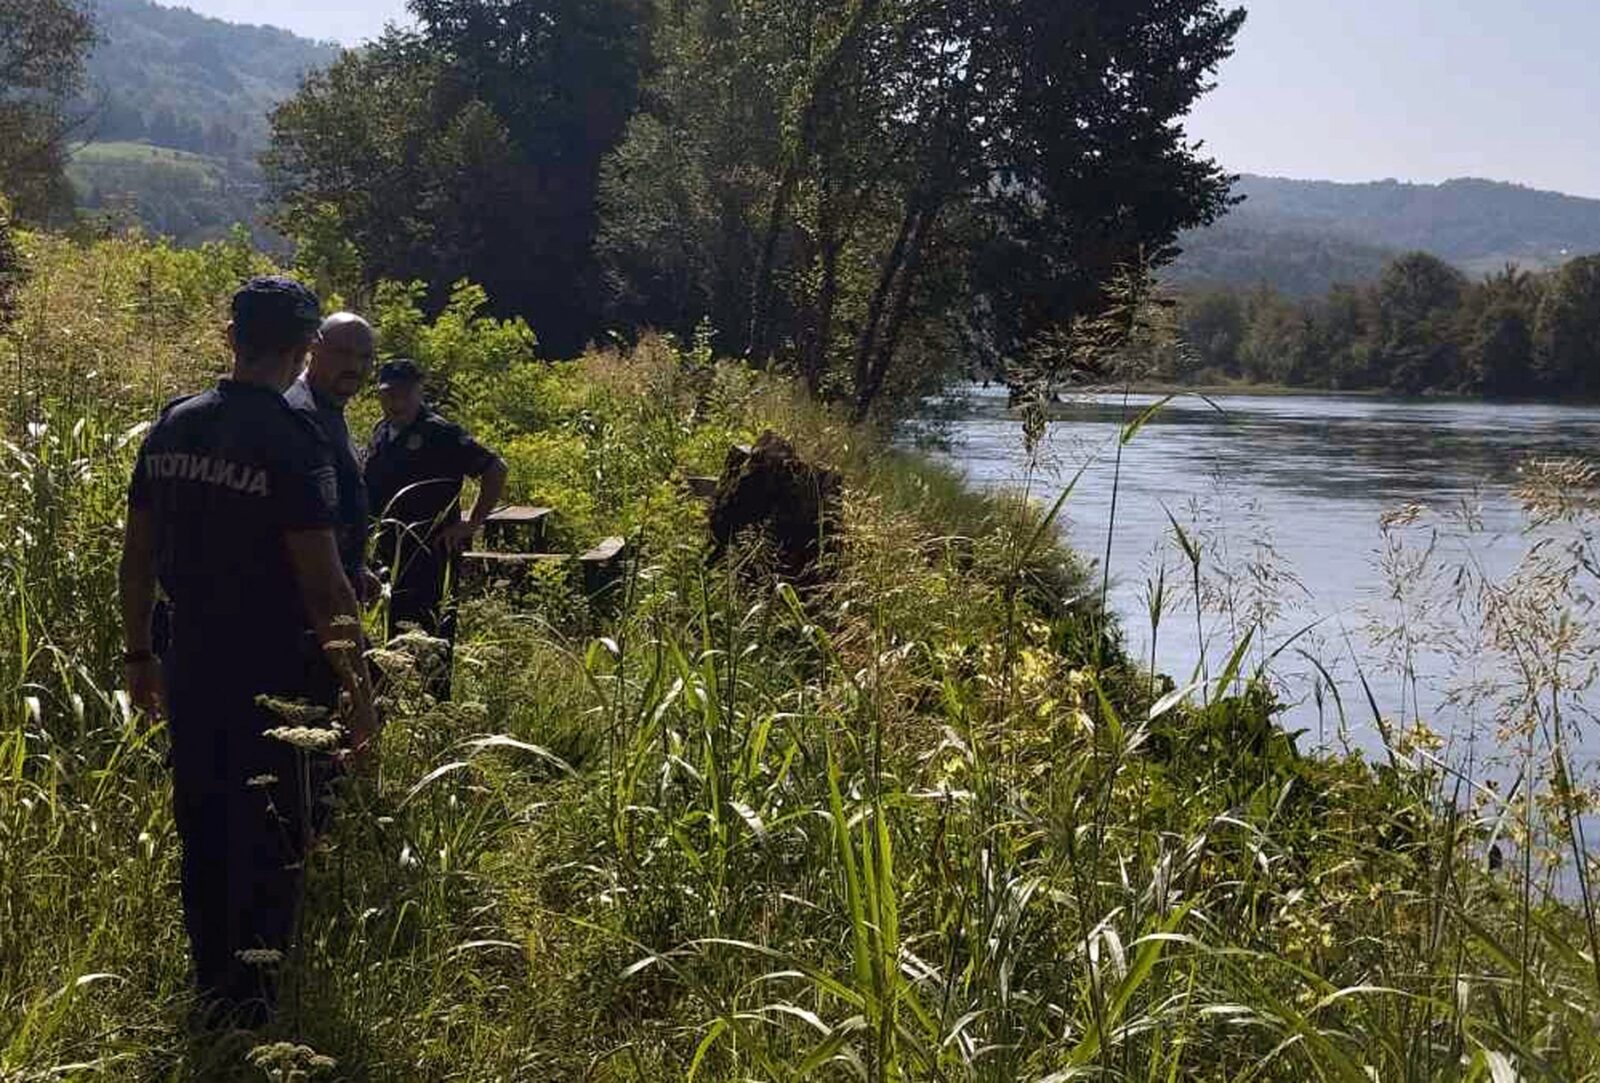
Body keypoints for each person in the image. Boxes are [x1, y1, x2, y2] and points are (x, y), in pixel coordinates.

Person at [117, 276, 377, 1028]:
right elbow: (327, 589)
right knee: (271, 833)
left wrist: (140, 658)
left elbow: (136, 559)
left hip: (190, 662)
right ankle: (253, 1007)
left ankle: (210, 990)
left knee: (202, 825)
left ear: (229, 336)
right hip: (277, 673)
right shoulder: (292, 441)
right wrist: (360, 695)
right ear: (303, 351)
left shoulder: (173, 425)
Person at [364, 359, 507, 697]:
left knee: (432, 637)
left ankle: (432, 710)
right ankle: (390, 704)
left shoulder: (441, 433)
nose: (394, 400)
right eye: (387, 394)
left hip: (431, 554)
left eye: (402, 393)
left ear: (418, 391)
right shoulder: (380, 431)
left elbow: (495, 469)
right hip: (386, 554)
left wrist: (472, 522)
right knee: (388, 634)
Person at [285, 312, 380, 601]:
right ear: (314, 348)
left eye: (365, 357)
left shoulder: (329, 411)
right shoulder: (300, 414)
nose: (355, 366)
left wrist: (355, 568)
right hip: (305, 600)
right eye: (343, 354)